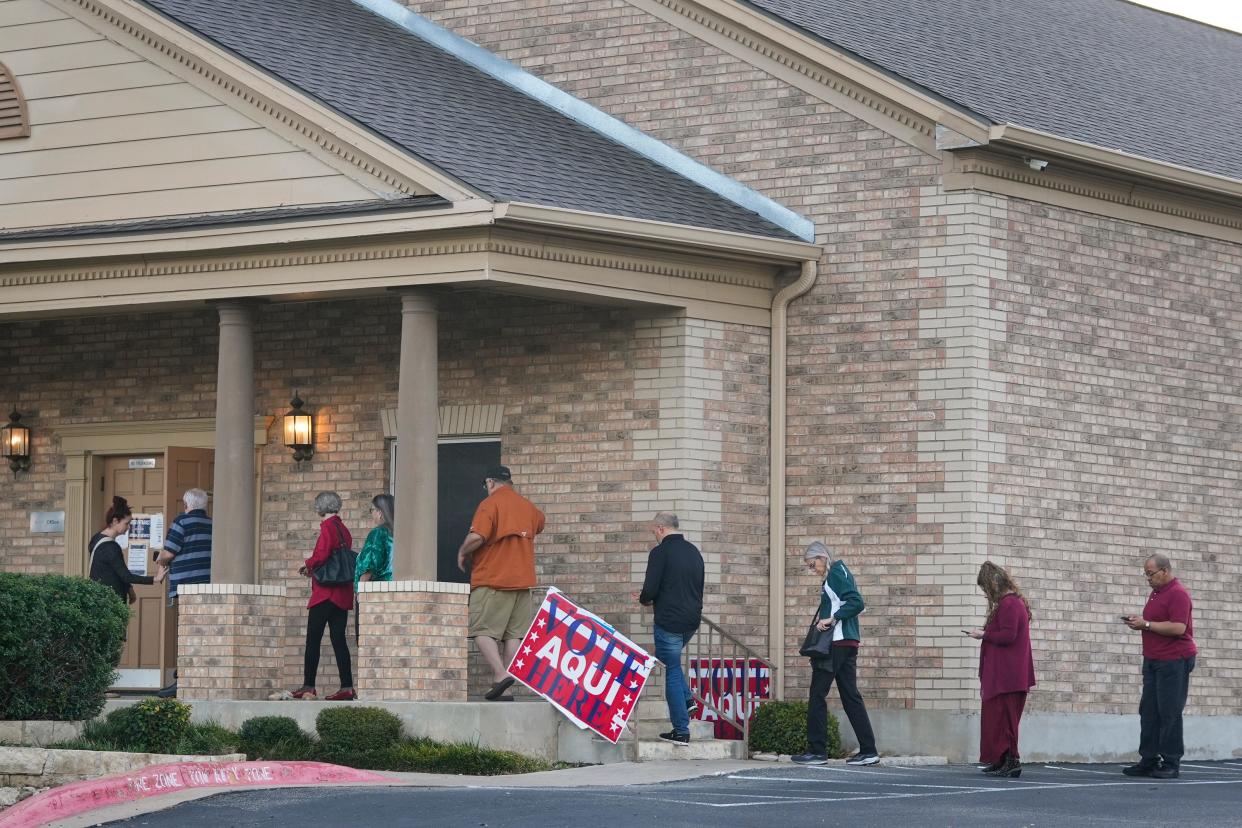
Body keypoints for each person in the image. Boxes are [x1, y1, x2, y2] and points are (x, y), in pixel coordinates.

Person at [457, 466, 544, 701]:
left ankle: (500, 672)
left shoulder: (490, 504)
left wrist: (462, 552)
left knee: (480, 629)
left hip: (492, 579)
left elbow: (478, 536)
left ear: (490, 482)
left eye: (486, 485)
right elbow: (539, 524)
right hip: (522, 582)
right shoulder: (528, 507)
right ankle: (501, 684)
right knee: (513, 635)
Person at [791, 542, 879, 766]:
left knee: (817, 695)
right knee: (851, 696)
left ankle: (817, 751)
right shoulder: (841, 572)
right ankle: (869, 750)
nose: (813, 570)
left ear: (822, 557)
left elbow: (857, 602)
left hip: (836, 644)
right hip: (848, 643)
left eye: (813, 565)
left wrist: (832, 618)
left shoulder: (836, 574)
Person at [1122, 553, 1197, 779]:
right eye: (1146, 574)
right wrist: (1141, 623)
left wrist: (1145, 624)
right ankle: (1149, 759)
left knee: (1170, 712)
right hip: (1153, 659)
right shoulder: (1156, 593)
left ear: (1165, 570)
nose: (1148, 578)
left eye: (1150, 573)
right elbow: (1155, 623)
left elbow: (1178, 628)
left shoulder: (1178, 594)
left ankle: (1171, 762)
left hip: (1174, 660)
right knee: (1149, 711)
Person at [637, 512, 704, 746]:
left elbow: (651, 588)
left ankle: (681, 730)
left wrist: (644, 599)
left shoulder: (660, 552)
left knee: (671, 672)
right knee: (672, 663)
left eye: (654, 531)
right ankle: (687, 700)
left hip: (668, 621)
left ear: (661, 528)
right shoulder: (694, 552)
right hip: (691, 622)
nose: (654, 535)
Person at [966, 561, 1035, 778]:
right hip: (1004, 673)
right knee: (997, 718)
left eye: (986, 588)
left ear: (993, 585)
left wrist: (983, 634)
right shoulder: (1010, 603)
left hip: (1009, 675)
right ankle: (1001, 758)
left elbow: (1008, 635)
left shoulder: (1010, 604)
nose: (986, 594)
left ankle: (1011, 760)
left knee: (1006, 719)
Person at [288, 491, 355, 701]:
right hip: (342, 593)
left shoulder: (327, 527)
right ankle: (347, 687)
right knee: (339, 640)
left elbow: (323, 554)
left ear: (320, 508)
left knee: (313, 640)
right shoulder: (344, 529)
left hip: (326, 593)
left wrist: (306, 565)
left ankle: (309, 687)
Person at [153, 488, 212, 698]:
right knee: (201, 633)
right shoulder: (213, 524)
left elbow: (168, 552)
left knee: (186, 634)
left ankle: (183, 682)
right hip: (207, 585)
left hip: (185, 586)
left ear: (186, 505)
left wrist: (159, 559)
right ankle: (196, 679)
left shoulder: (181, 522)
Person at [88, 495, 159, 603]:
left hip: (98, 600)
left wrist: (129, 589)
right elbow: (126, 576)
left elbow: (115, 571)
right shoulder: (111, 547)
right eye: (127, 523)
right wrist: (155, 579)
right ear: (115, 521)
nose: (128, 527)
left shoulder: (96, 539)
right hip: (111, 602)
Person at [354, 494, 395, 641]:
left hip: (374, 595)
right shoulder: (399, 533)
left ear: (380, 512)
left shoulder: (377, 533)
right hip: (395, 594)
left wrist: (361, 592)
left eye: (372, 509)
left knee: (370, 642)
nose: (372, 514)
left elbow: (369, 565)